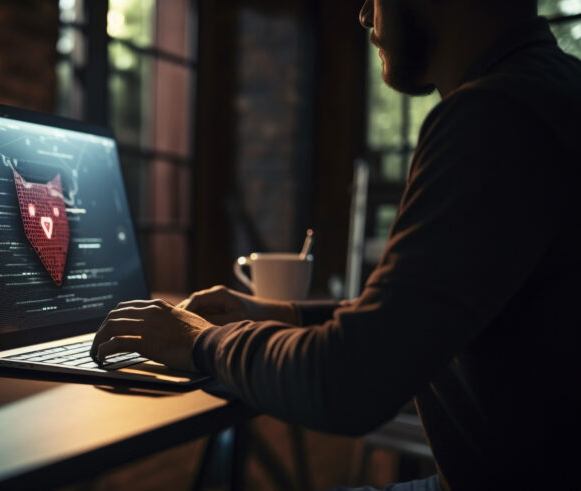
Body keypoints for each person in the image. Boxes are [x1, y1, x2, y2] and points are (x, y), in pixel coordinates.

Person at [91, 0, 581, 488]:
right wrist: (278, 313)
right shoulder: (551, 88)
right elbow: (407, 325)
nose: (365, 14)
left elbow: (348, 382)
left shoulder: (497, 116)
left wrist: (197, 341)